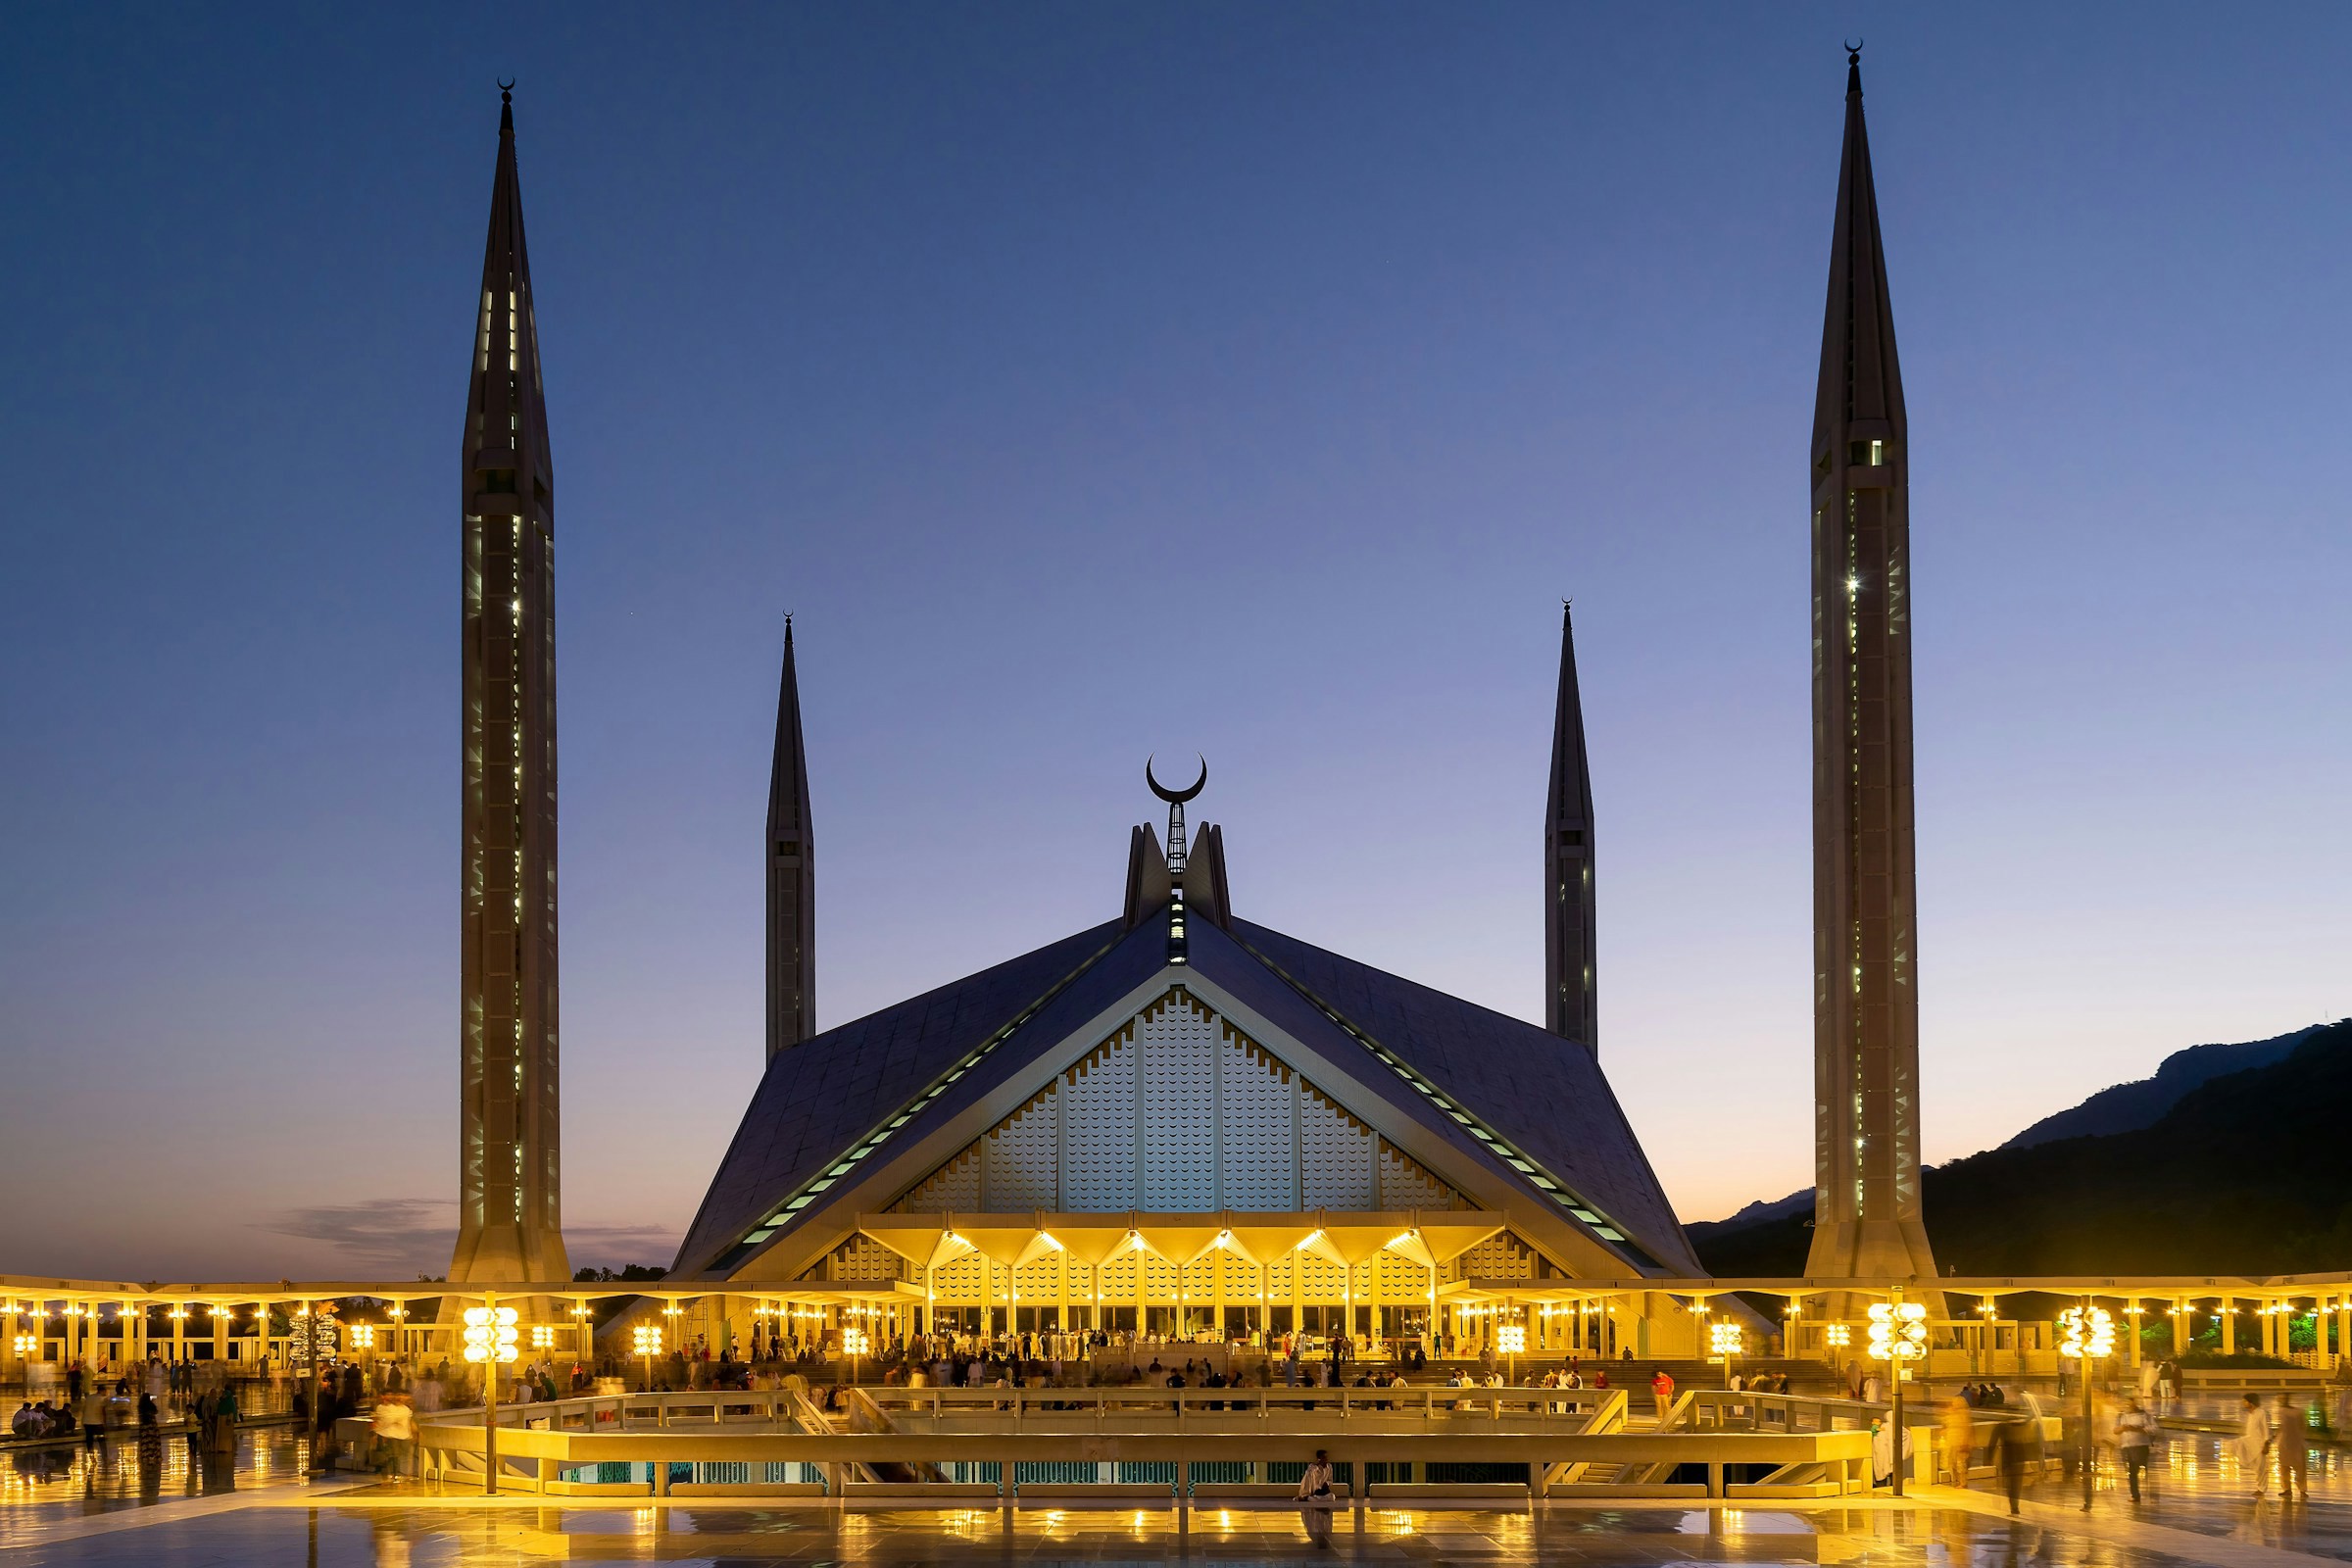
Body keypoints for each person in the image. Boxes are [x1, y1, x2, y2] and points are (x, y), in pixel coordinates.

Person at [1987, 1415, 2035, 1515]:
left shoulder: (2001, 1426)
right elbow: (2029, 1439)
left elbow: (1993, 1442)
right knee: (2016, 1483)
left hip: (2007, 1458)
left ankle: (2013, 1504)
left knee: (2009, 1483)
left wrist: (1989, 1457)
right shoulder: (2021, 1425)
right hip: (2020, 1457)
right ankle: (2015, 1505)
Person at [2115, 1396, 2156, 1503]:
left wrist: (2135, 1428)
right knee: (2131, 1472)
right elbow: (2115, 1430)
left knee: (2142, 1469)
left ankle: (2151, 1493)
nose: (2127, 1406)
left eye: (2129, 1404)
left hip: (2140, 1446)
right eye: (2125, 1404)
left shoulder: (2144, 1415)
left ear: (2135, 1404)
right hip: (2126, 1447)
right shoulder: (2121, 1416)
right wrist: (2122, 1428)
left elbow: (2153, 1429)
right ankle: (2135, 1494)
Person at [1296, 1447, 1337, 1548]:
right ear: (1319, 1459)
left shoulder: (1329, 1467)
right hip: (1314, 1492)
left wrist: (1326, 1484)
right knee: (1312, 1498)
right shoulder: (1313, 1468)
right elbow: (1308, 1481)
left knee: (1331, 1497)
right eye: (1324, 1458)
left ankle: (1310, 1498)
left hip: (1323, 1492)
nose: (1326, 1459)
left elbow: (1330, 1480)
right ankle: (1308, 1498)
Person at [2274, 1391, 2309, 1503]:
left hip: (2294, 1443)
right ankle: (2289, 1489)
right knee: (2285, 1467)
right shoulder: (2285, 1411)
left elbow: (2302, 1427)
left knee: (2298, 1468)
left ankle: (2301, 1490)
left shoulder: (2296, 1412)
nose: (2280, 1400)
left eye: (2282, 1398)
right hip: (2287, 1443)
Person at [2237, 1392, 2274, 1499]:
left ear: (2250, 1402)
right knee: (2256, 1467)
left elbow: (2266, 1429)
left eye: (2245, 1401)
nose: (2243, 1403)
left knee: (2261, 1468)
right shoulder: (2250, 1414)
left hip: (2260, 1444)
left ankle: (2262, 1489)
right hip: (2251, 1443)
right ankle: (2260, 1487)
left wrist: (2266, 1444)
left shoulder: (2262, 1413)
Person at [371, 1393, 416, 1477]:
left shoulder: (406, 1409)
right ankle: (392, 1474)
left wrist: (414, 1433)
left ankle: (402, 1474)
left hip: (404, 1435)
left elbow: (409, 1421)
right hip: (391, 1435)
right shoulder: (384, 1408)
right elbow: (383, 1421)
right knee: (393, 1455)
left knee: (402, 1456)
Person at [1941, 1395, 1975, 1489]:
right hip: (1952, 1441)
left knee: (1961, 1463)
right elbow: (1946, 1424)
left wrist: (1965, 1442)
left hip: (1960, 1442)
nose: (1954, 1404)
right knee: (1952, 1462)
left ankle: (1963, 1482)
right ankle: (1956, 1480)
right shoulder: (1952, 1413)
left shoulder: (1964, 1414)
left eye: (1955, 1402)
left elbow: (1966, 1429)